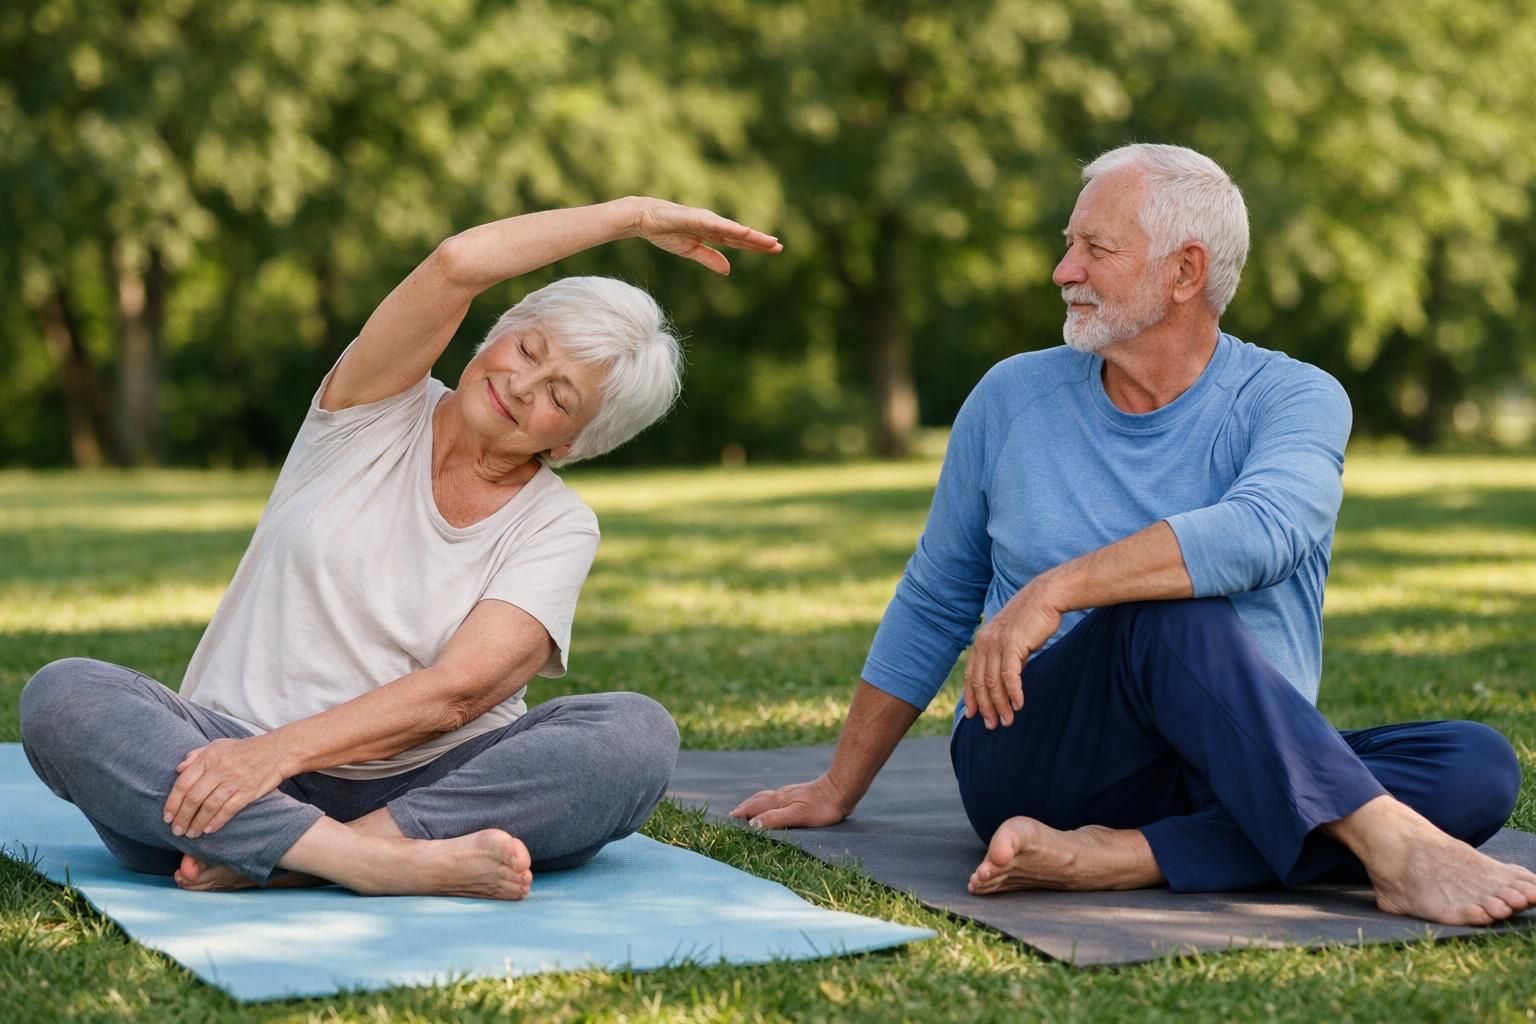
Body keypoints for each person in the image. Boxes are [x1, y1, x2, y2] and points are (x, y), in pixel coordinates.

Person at [732, 144, 1536, 926]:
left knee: (1476, 767)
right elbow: (936, 597)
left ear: (1185, 272)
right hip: (1039, 758)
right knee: (1165, 614)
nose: (1063, 271)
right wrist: (838, 785)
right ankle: (1388, 844)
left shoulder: (1292, 397)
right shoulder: (1010, 397)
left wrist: (1056, 589)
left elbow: (1267, 530)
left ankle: (1129, 856)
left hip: (1234, 764)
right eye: (1069, 245)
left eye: (1095, 248)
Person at [20, 197, 782, 900]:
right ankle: (363, 862)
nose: (524, 385)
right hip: (232, 767)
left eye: (560, 395)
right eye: (529, 349)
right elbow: (456, 264)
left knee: (635, 736)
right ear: (496, 333)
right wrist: (632, 216)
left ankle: (313, 853)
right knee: (65, 695)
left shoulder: (558, 525)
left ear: (575, 443)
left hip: (420, 791)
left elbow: (458, 693)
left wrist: (279, 755)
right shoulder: (372, 404)